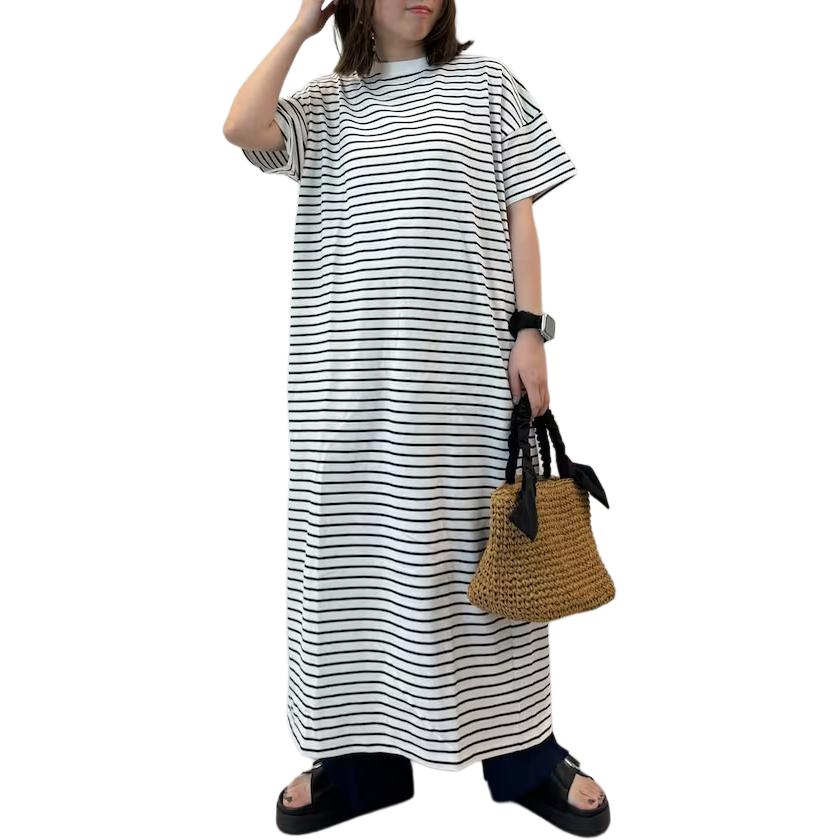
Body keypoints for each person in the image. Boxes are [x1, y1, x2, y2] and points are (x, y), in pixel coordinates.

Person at [223, 0, 610, 834]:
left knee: (490, 558)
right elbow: (240, 126)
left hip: (468, 380)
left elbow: (520, 213)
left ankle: (522, 755)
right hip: (346, 390)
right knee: (356, 565)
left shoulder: (487, 84)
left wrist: (530, 332)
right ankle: (360, 764)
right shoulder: (326, 104)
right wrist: (301, 26)